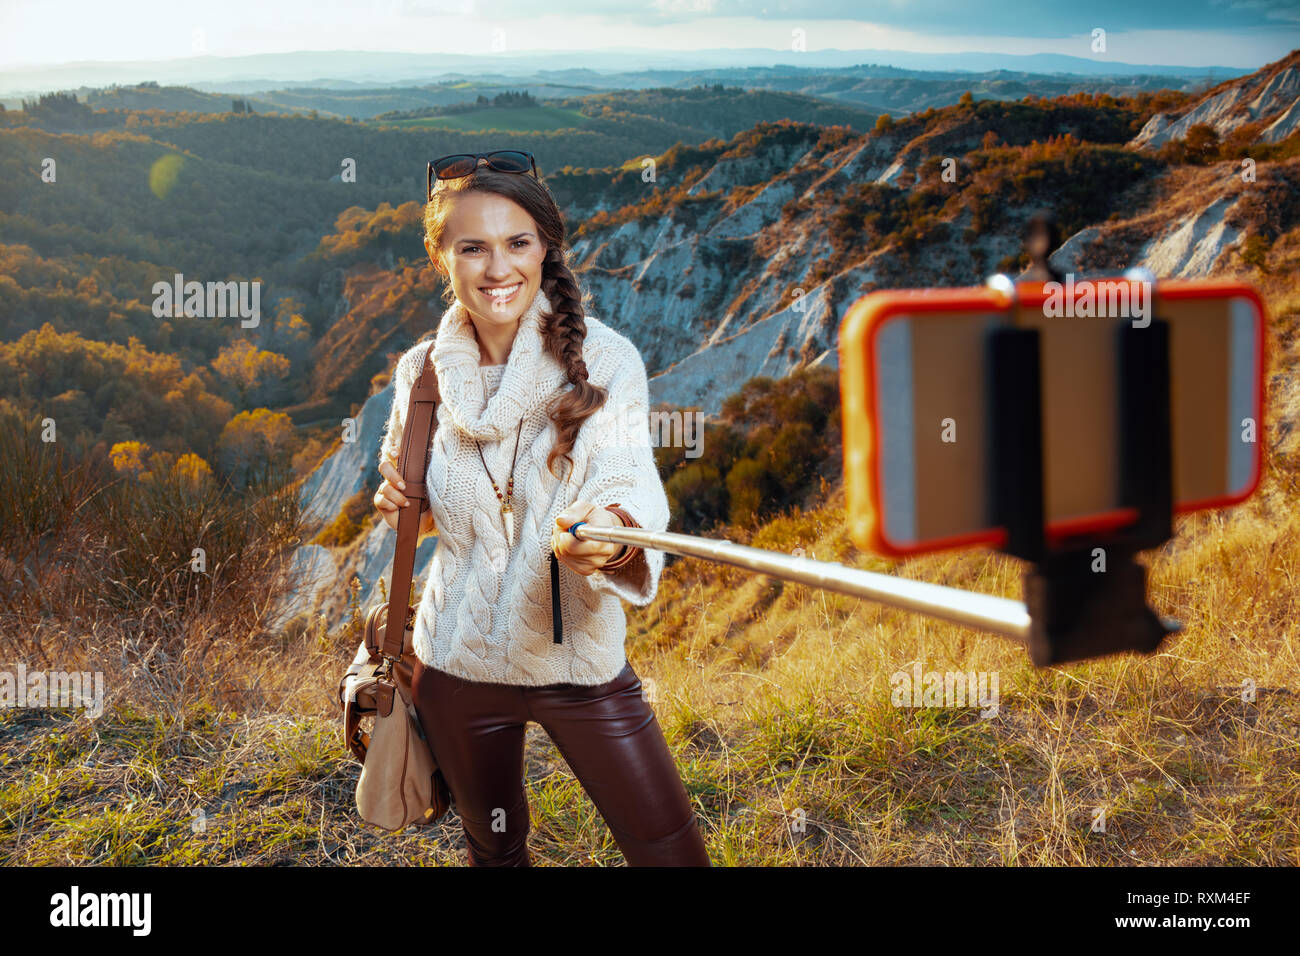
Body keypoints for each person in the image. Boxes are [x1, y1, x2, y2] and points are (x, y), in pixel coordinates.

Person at [371, 150, 710, 867]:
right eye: (473, 247)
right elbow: (425, 502)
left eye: (518, 243)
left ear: (546, 248)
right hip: (455, 662)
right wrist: (401, 500)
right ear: (442, 257)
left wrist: (613, 533)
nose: (499, 269)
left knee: (671, 854)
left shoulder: (607, 361)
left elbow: (627, 475)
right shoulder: (419, 372)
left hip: (576, 663)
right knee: (494, 851)